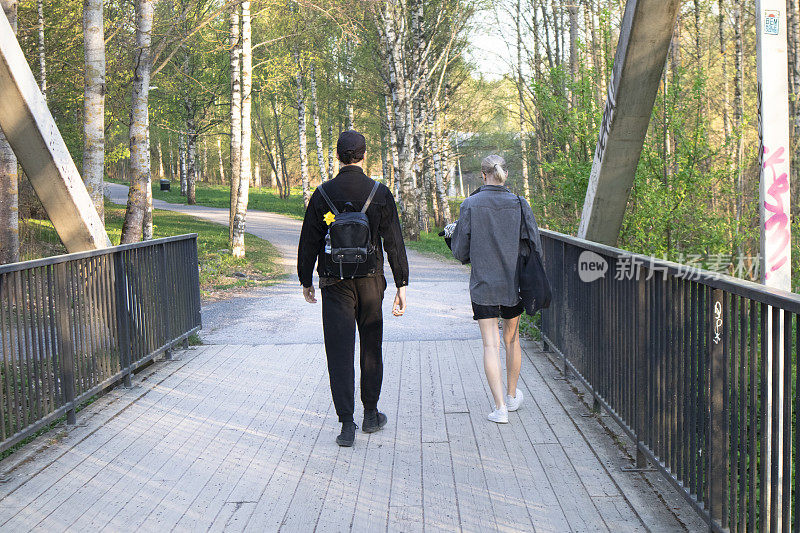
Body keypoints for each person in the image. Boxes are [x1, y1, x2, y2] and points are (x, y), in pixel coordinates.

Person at [297, 130, 409, 446]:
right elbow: (394, 242)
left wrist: (306, 279)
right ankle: (371, 414)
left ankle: (347, 425)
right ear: (363, 155)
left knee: (339, 353)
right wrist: (401, 283)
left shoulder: (323, 196)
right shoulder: (379, 193)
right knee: (371, 348)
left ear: (337, 155)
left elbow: (310, 240)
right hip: (371, 281)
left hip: (335, 283)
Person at [450, 155, 544, 423]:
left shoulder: (470, 204)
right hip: (513, 284)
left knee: (490, 344)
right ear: (505, 175)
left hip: (483, 286)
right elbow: (535, 245)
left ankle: (500, 408)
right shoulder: (520, 203)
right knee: (511, 340)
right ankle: (513, 396)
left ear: (483, 175)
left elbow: (460, 252)